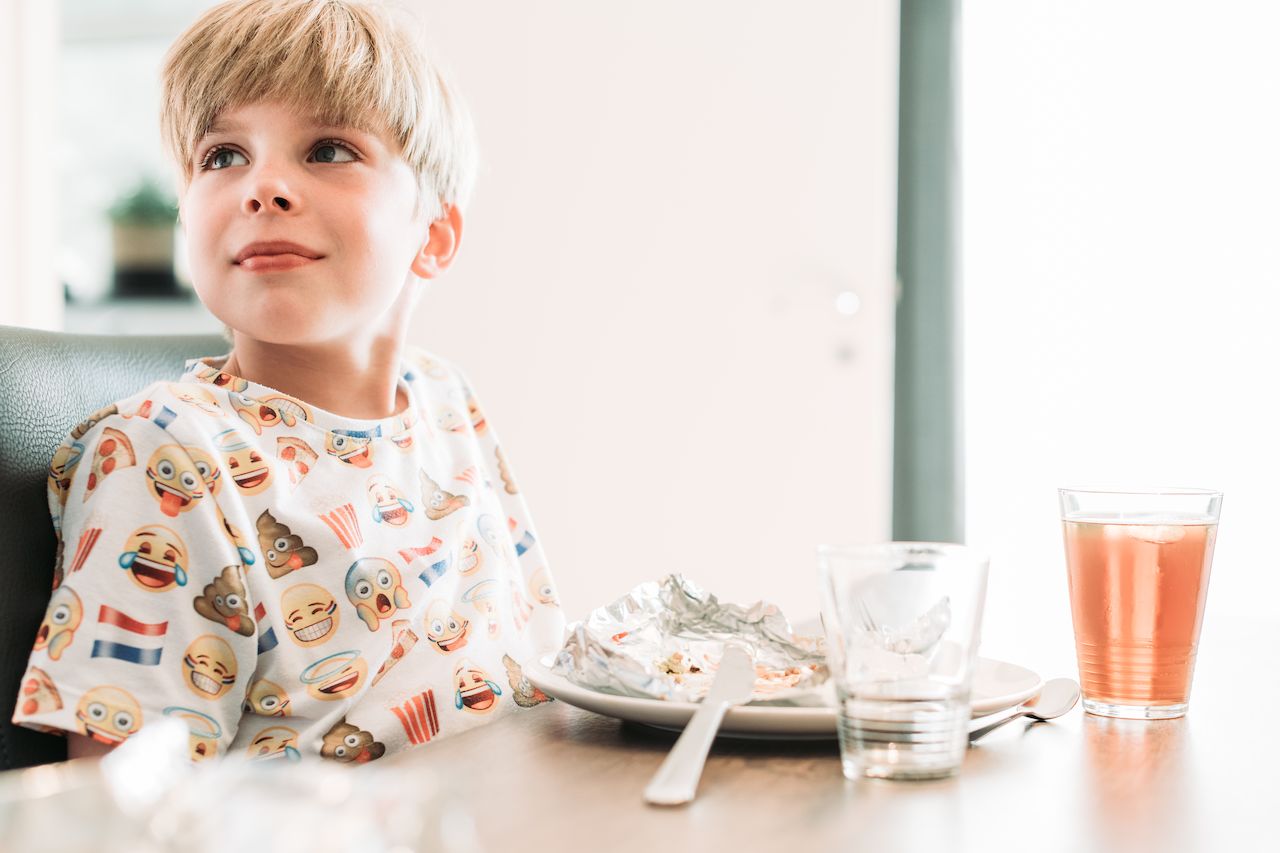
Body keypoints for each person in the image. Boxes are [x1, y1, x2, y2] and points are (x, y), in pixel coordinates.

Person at [13, 0, 565, 764]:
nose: (263, 187)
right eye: (222, 156)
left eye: (329, 149)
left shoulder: (446, 401)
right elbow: (118, 812)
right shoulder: (164, 450)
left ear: (433, 236)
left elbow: (542, 664)